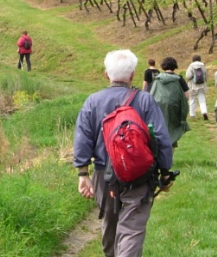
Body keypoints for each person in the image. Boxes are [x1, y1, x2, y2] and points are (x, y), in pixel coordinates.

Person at [73, 50, 174, 257]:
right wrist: (165, 172)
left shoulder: (93, 102)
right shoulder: (145, 101)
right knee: (131, 230)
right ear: (132, 75)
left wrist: (83, 174)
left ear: (106, 75)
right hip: (139, 176)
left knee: (110, 224)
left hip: (104, 175)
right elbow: (162, 139)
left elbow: (83, 138)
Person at [150, 57, 190, 149]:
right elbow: (187, 96)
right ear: (174, 66)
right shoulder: (179, 79)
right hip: (174, 107)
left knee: (160, 129)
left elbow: (152, 93)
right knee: (172, 129)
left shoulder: (157, 79)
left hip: (159, 107)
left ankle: (160, 154)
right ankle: (170, 157)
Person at [185, 55, 209, 121]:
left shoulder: (191, 66)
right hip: (201, 85)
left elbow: (188, 76)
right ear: (200, 59)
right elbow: (206, 75)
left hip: (192, 86)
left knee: (192, 100)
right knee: (202, 99)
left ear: (193, 60)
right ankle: (204, 112)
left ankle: (192, 115)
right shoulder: (203, 66)